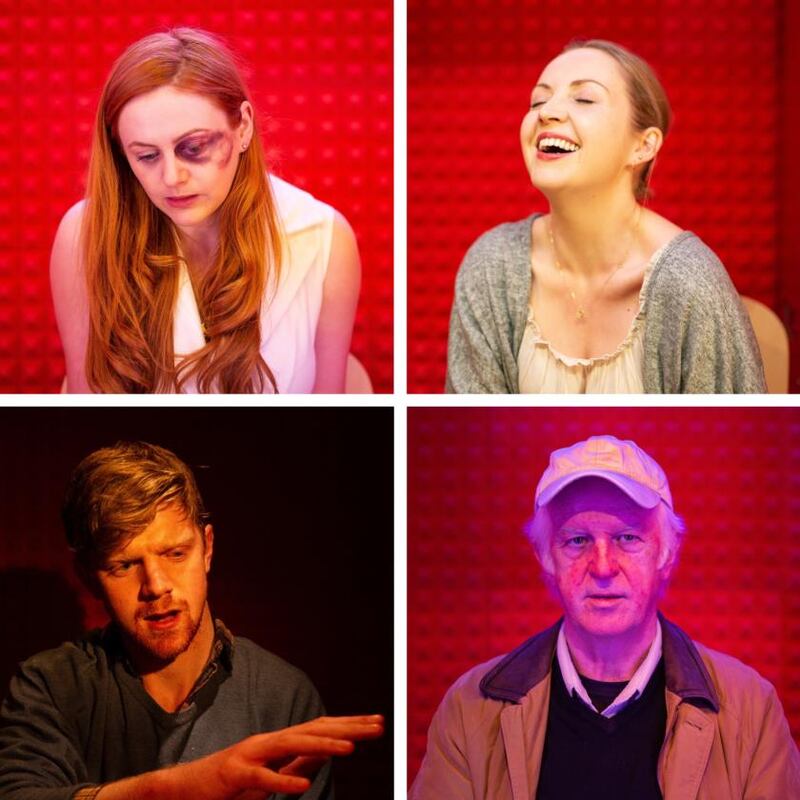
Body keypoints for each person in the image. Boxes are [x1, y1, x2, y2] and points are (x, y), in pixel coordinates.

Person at [410, 435, 800, 798]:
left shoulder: (751, 708)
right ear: (545, 557)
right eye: (577, 540)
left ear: (667, 552)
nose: (602, 567)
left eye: (627, 538)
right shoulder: (469, 708)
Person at [0, 442, 383, 799]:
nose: (156, 585)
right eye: (125, 565)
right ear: (88, 578)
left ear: (207, 549)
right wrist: (176, 789)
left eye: (176, 554)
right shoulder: (51, 685)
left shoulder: (283, 695)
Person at [50, 27, 361, 393]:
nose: (171, 177)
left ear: (243, 127)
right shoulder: (84, 235)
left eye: (194, 148)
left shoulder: (324, 241)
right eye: (146, 156)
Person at [446, 40, 765, 394]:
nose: (547, 112)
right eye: (538, 101)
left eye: (584, 99)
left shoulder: (690, 283)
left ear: (643, 145)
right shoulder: (491, 267)